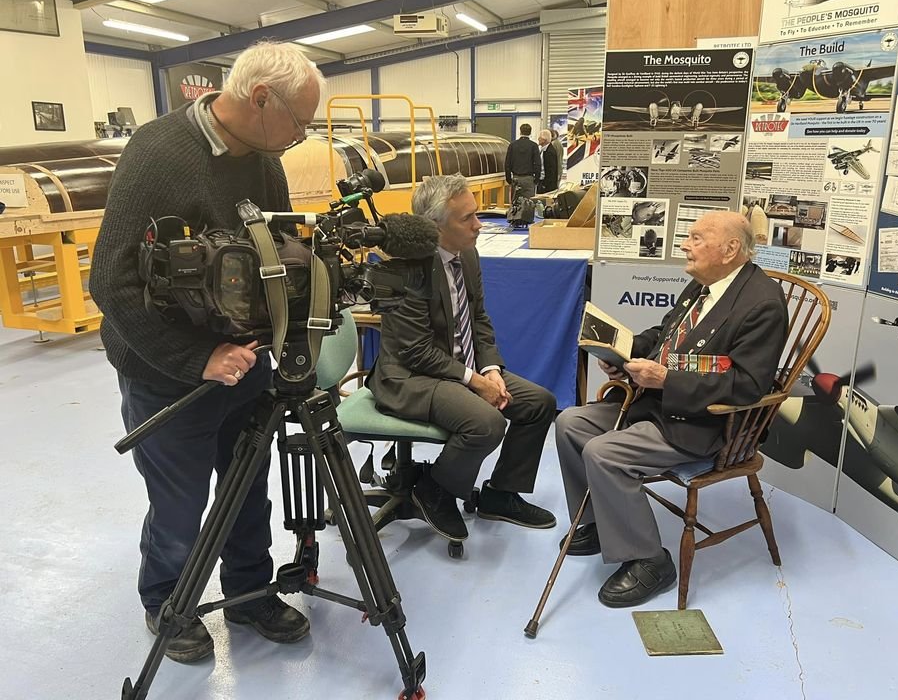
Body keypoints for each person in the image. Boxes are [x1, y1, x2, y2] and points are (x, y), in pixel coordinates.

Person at [89, 40, 323, 663]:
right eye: (300, 120)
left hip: (244, 361)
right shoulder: (159, 155)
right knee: (180, 501)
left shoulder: (264, 158)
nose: (303, 133)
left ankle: (249, 593)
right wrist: (196, 360)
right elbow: (109, 281)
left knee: (247, 489)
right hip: (171, 374)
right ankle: (168, 601)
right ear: (260, 98)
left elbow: (271, 262)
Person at [555, 210, 788, 608]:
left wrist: (666, 381)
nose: (684, 244)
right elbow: (664, 338)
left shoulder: (762, 304)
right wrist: (623, 353)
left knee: (603, 452)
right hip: (661, 404)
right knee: (569, 423)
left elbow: (748, 386)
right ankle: (596, 520)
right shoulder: (706, 284)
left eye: (697, 238)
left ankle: (650, 559)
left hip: (707, 422)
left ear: (730, 249)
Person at [368, 173, 557, 541]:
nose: (479, 224)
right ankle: (434, 490)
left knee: (538, 403)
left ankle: (500, 495)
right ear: (435, 227)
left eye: (476, 214)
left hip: (460, 366)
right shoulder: (404, 270)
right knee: (486, 423)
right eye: (467, 218)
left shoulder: (466, 254)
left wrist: (491, 369)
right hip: (411, 375)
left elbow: (479, 318)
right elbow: (416, 352)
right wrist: (475, 382)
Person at [505, 123, 541, 201]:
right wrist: (536, 179)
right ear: (530, 133)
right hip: (529, 179)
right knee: (529, 204)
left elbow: (507, 163)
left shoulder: (512, 145)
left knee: (515, 203)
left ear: (520, 132)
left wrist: (509, 179)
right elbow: (537, 164)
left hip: (516, 178)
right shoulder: (534, 146)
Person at [537, 130, 559, 194]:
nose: (538, 139)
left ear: (544, 139)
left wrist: (545, 184)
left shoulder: (550, 152)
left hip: (547, 185)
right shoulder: (543, 150)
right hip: (542, 182)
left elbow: (551, 170)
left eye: (540, 137)